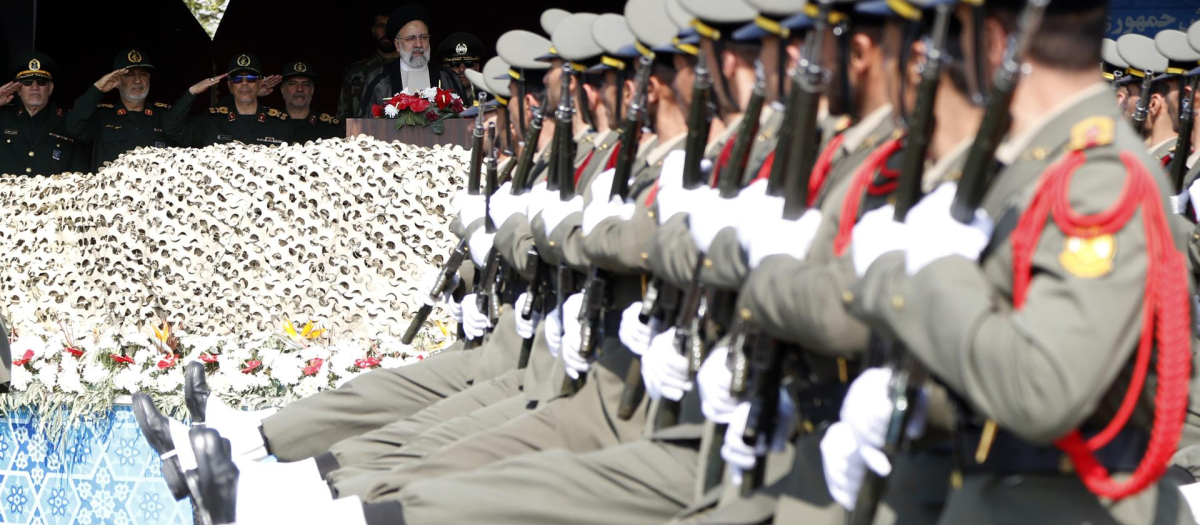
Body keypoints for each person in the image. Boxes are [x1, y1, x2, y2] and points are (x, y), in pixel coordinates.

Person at [843, 0, 1198, 523]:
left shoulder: (1096, 180)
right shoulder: (1045, 163)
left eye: (955, 32)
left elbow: (1043, 387)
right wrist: (923, 403)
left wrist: (906, 279)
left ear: (992, 42)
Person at [64, 49, 174, 171]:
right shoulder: (101, 116)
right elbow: (73, 127)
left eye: (142, 74)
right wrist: (97, 89)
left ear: (149, 77)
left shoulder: (165, 115)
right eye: (129, 74)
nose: (137, 80)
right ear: (116, 81)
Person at [356, 3, 466, 117]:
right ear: (397, 44)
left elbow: (465, 122)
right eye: (411, 38)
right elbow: (364, 128)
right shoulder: (379, 79)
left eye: (423, 37)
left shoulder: (448, 76)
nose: (418, 44)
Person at [163, 53, 291, 147]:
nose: (244, 83)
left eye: (251, 78)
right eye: (237, 79)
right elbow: (172, 129)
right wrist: (192, 92)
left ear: (259, 84)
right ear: (230, 86)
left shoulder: (280, 124)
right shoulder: (211, 122)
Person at [0, 52, 87, 176]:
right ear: (18, 89)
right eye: (28, 82)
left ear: (50, 88)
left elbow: (79, 172)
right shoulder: (3, 117)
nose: (34, 87)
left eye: (41, 82)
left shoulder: (69, 122)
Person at [338, 2, 402, 120]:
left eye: (390, 26)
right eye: (380, 26)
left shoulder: (411, 69)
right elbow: (344, 121)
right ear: (373, 30)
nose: (386, 32)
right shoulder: (355, 73)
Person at [280, 61, 344, 143]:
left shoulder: (331, 128)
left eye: (306, 84)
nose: (300, 89)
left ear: (312, 90)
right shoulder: (270, 125)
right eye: (293, 83)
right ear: (282, 90)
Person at [436, 32, 485, 105]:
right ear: (446, 68)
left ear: (477, 68)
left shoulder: (488, 98)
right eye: (455, 64)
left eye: (469, 64)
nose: (462, 69)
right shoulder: (435, 98)